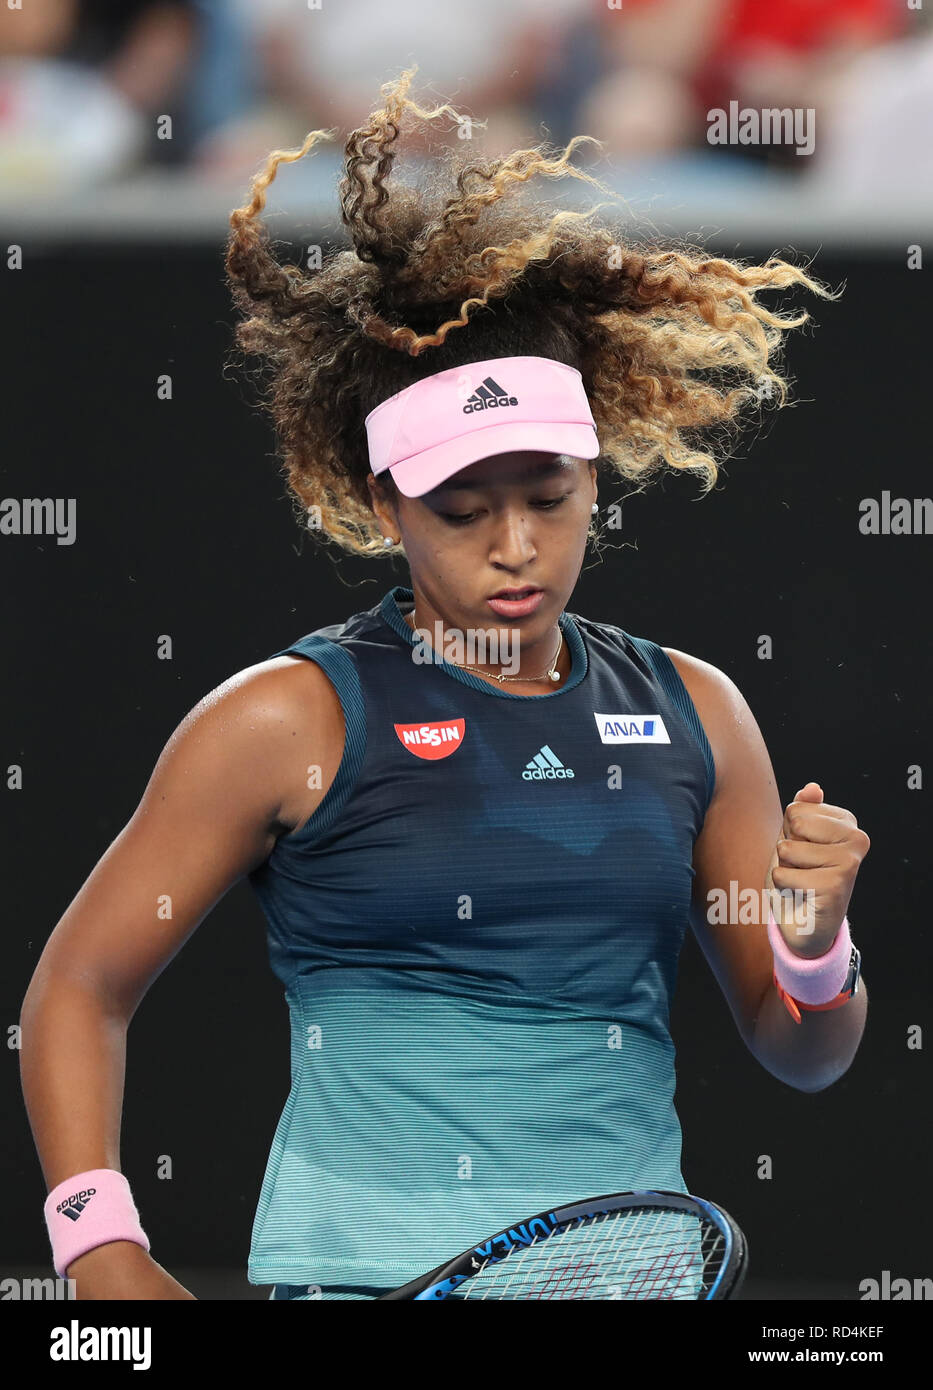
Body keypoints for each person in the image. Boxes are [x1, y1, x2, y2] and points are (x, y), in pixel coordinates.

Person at [21, 67, 870, 1301]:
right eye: (462, 511)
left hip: (627, 1287)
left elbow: (807, 1057)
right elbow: (79, 987)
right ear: (382, 505)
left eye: (549, 500)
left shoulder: (699, 713)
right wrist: (98, 1246)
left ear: (595, 482)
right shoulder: (284, 721)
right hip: (354, 1281)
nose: (514, 548)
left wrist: (815, 949)